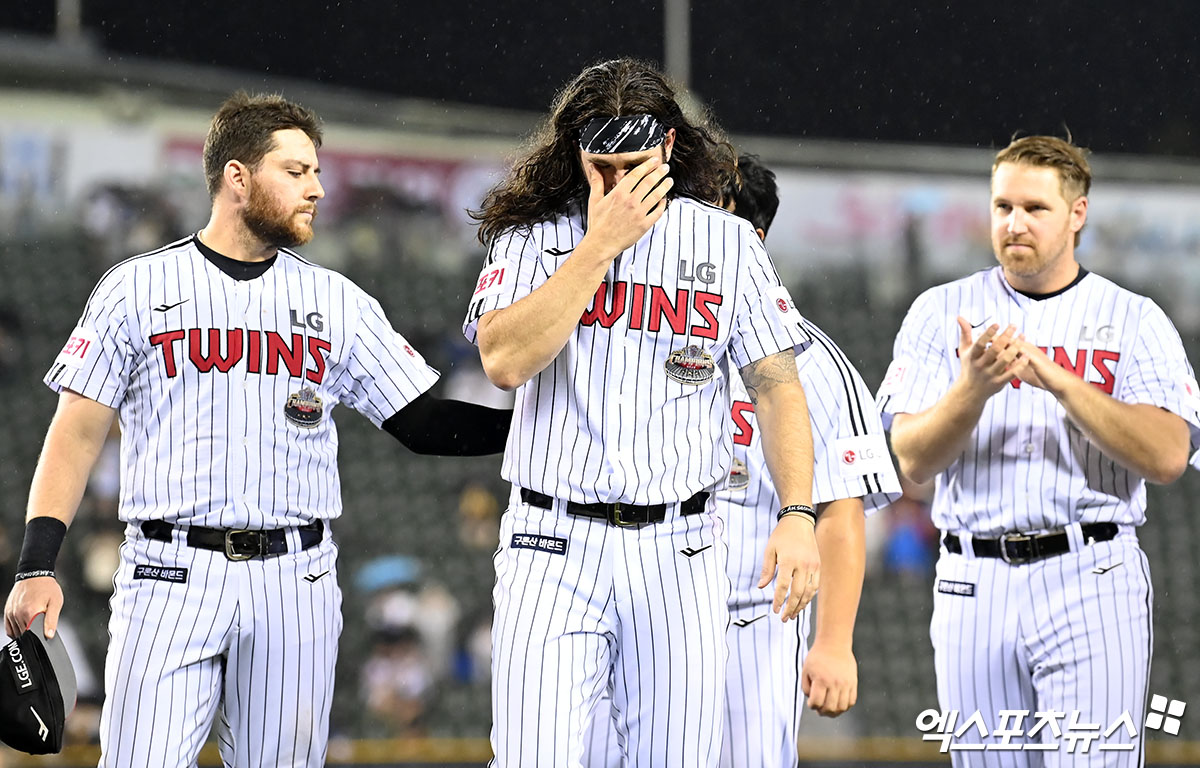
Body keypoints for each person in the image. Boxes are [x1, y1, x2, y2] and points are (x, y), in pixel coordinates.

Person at [3, 91, 510, 768]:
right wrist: (38, 562)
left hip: (294, 581)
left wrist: (544, 424)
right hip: (166, 570)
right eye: (296, 172)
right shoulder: (136, 287)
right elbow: (77, 429)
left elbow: (422, 422)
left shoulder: (337, 302)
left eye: (317, 172)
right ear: (238, 178)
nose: (318, 189)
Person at [464, 59, 819, 768]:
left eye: (635, 163)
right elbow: (503, 361)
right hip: (550, 543)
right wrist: (599, 244)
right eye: (604, 165)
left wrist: (799, 515)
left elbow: (778, 385)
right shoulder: (533, 235)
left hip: (679, 549)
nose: (620, 182)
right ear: (577, 154)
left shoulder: (726, 241)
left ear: (667, 147)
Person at [877, 135, 1200, 764]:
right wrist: (971, 389)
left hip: (1091, 575)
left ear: (1077, 214)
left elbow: (1167, 457)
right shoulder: (939, 311)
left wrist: (1057, 378)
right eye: (1003, 207)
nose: (1014, 223)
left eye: (1035, 208)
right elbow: (910, 459)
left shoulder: (1134, 318)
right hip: (973, 579)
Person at [583, 153, 903, 768]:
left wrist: (834, 644)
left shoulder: (814, 363)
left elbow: (841, 509)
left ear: (749, 239)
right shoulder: (647, 330)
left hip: (749, 620)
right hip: (644, 604)